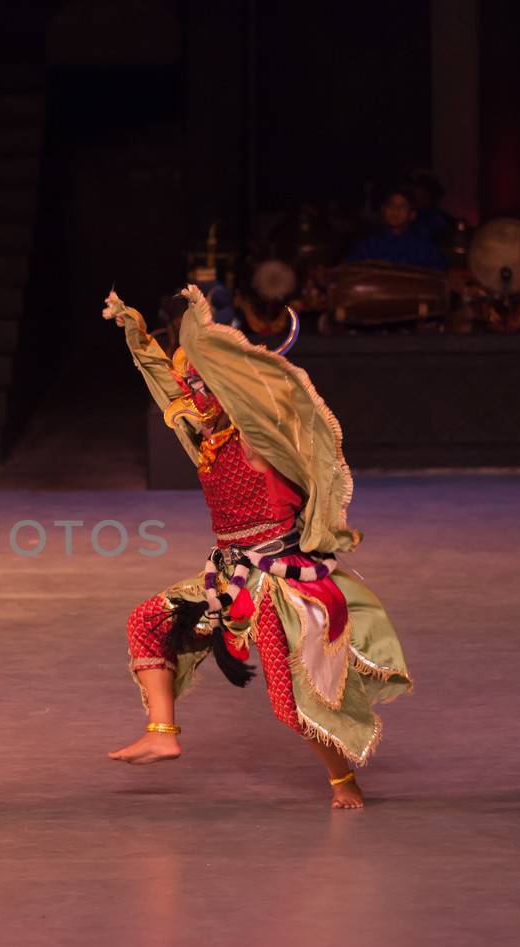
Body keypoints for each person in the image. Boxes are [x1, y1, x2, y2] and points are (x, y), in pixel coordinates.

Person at [103, 285, 411, 809]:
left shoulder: (258, 441)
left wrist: (206, 338)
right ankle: (163, 731)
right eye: (191, 388)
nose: (194, 397)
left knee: (289, 704)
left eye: (204, 385)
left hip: (277, 579)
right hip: (229, 573)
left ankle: (343, 780)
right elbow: (167, 389)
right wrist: (139, 337)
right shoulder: (207, 441)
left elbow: (253, 399)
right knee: (147, 623)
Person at [344, 187, 445, 270]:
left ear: (412, 215)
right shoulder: (370, 245)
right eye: (390, 205)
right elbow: (348, 268)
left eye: (402, 206)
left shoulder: (424, 248)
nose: (395, 210)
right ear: (383, 210)